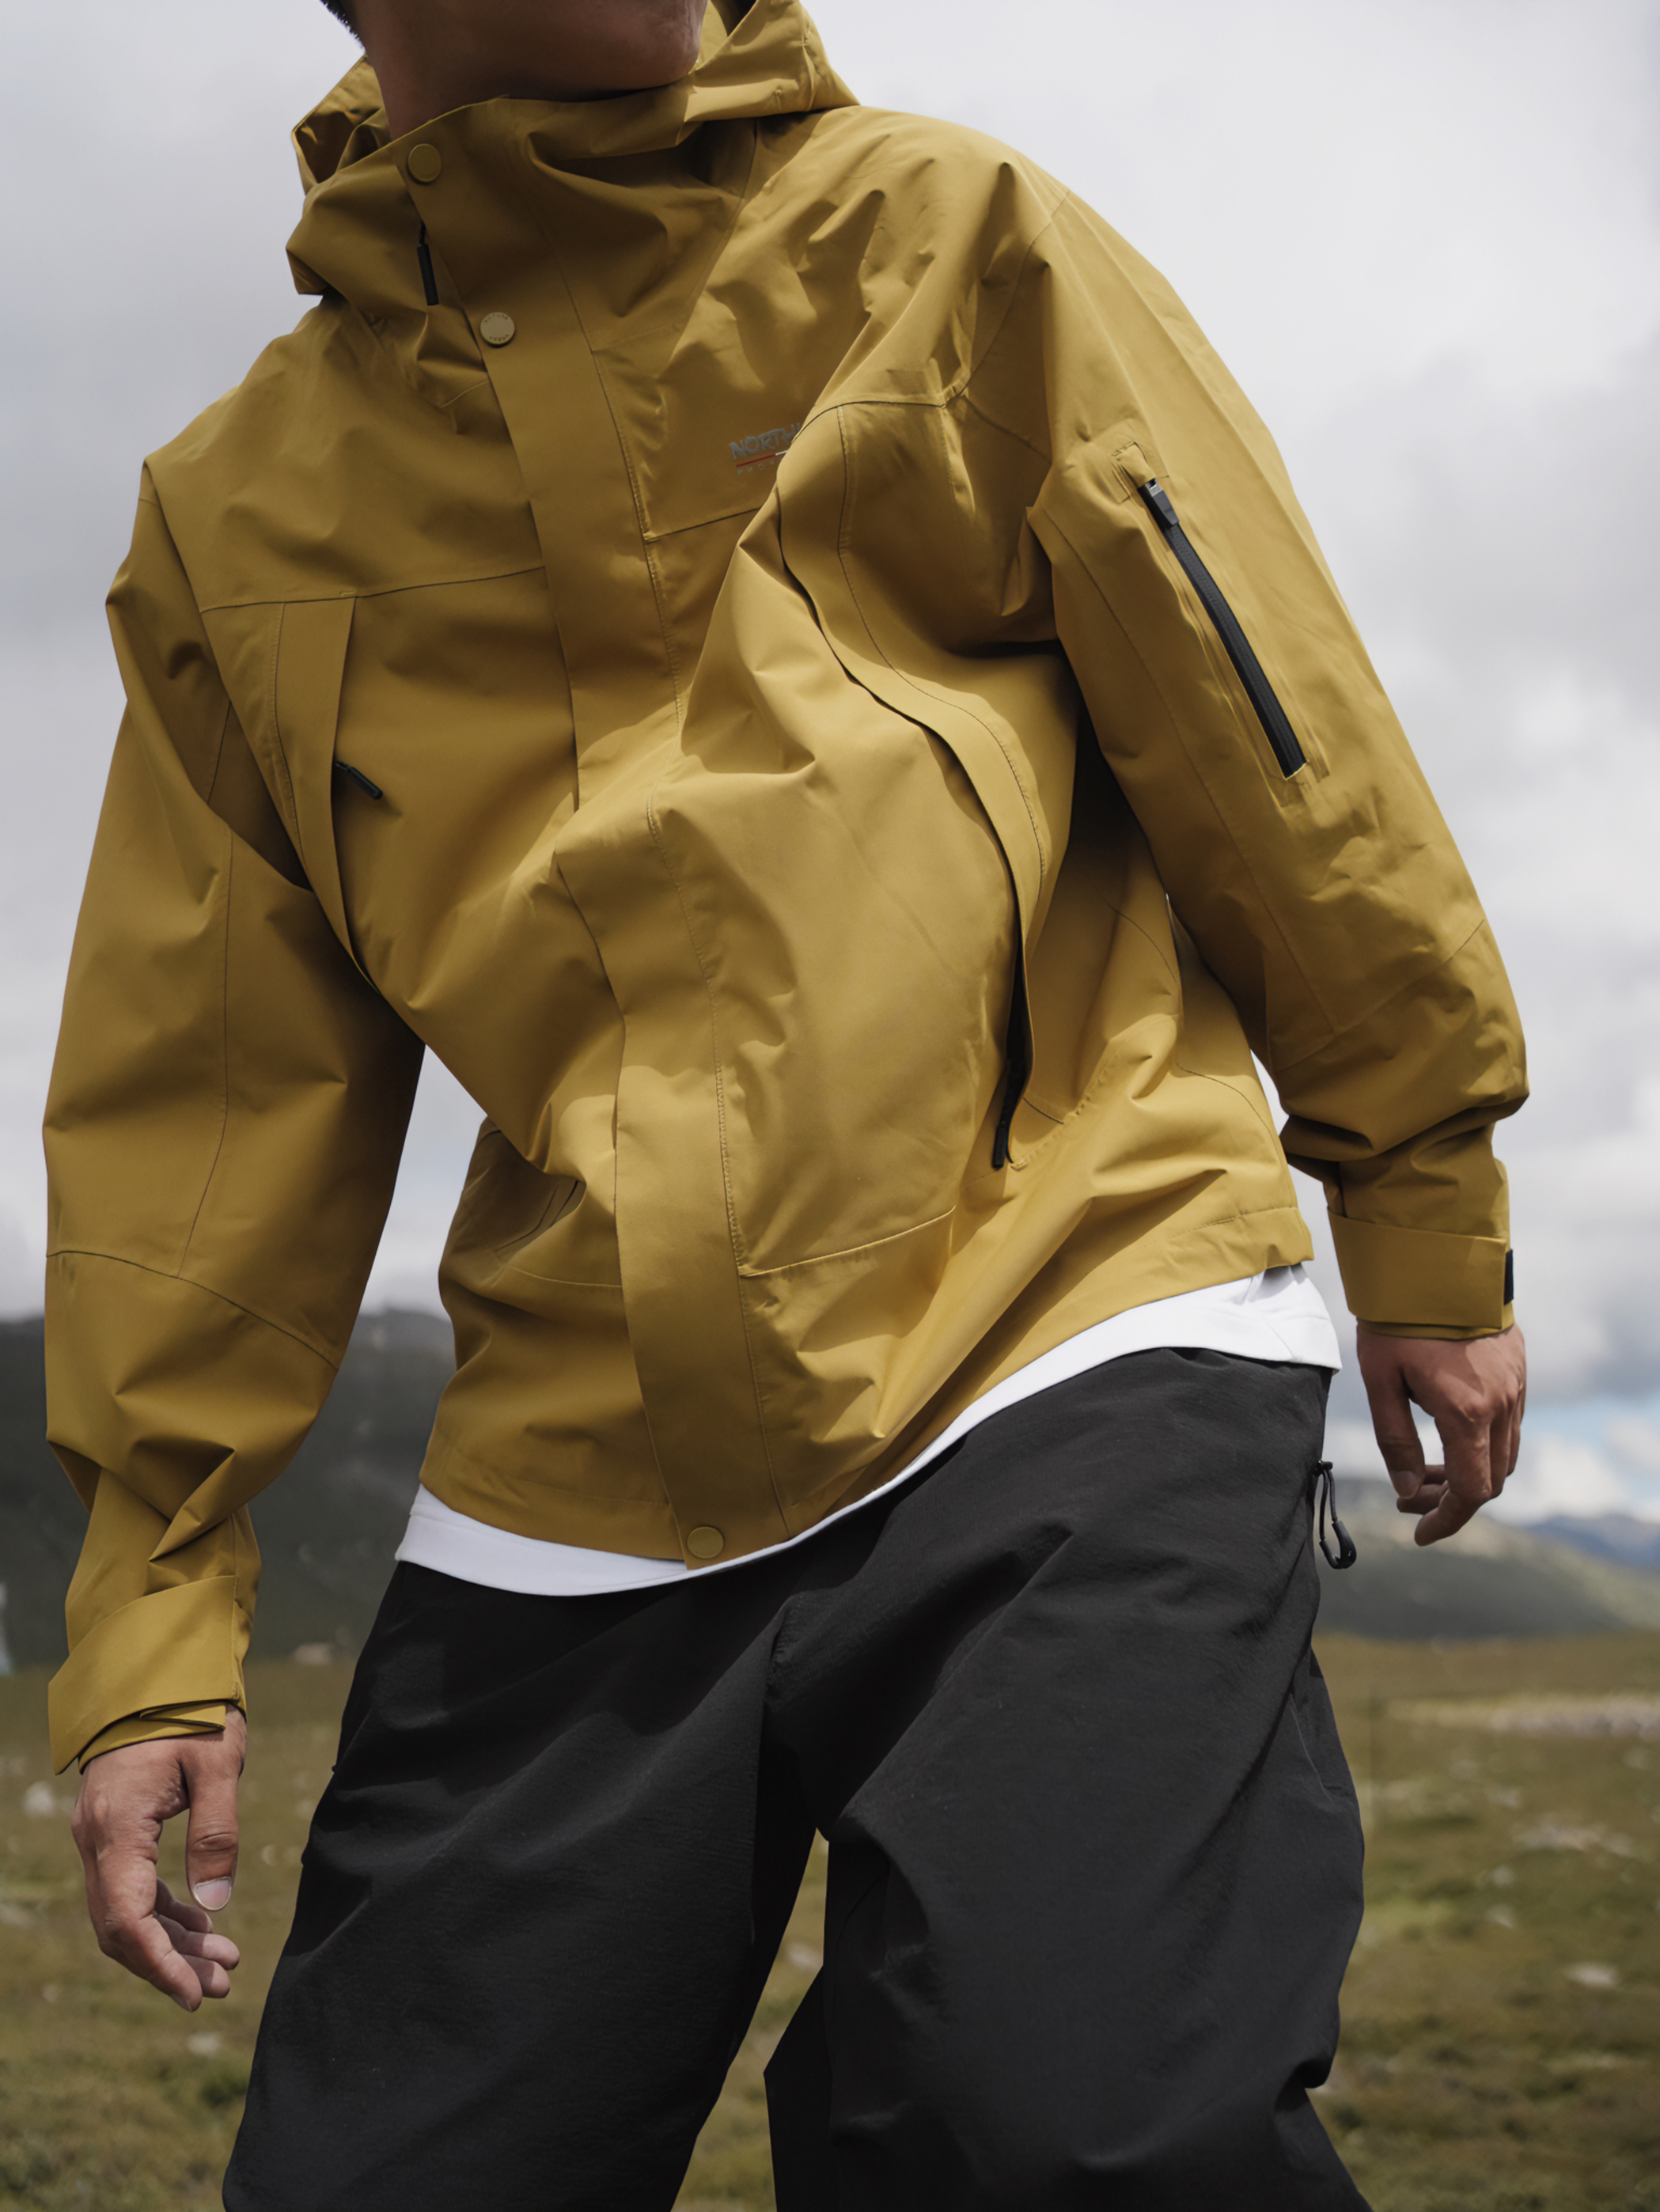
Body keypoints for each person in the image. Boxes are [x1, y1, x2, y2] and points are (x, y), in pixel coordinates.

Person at [49, 1, 1528, 2205]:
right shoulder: (231, 514)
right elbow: (205, 1103)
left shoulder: (951, 238)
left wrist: (1416, 1189)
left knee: (1061, 2135)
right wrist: (152, 1626)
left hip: (1069, 1310)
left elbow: (1266, 726)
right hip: (571, 1472)